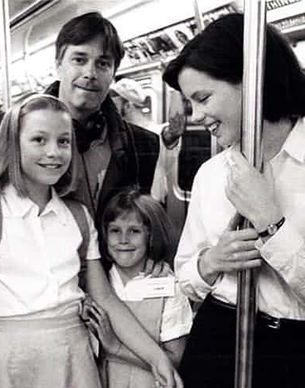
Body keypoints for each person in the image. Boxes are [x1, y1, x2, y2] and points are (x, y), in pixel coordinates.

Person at [0, 94, 183, 388]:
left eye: (63, 141)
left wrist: (156, 358)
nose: (54, 152)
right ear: (13, 145)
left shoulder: (77, 216)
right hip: (5, 359)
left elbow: (105, 298)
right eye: (39, 140)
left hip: (73, 353)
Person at [163, 13, 305, 388]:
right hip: (218, 337)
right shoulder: (211, 175)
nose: (197, 116)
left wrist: (271, 224)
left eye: (203, 98)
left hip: (294, 347)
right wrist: (210, 263)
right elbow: (184, 277)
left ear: (253, 79)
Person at [45, 12, 162, 221]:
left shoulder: (144, 145)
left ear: (113, 73)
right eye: (79, 60)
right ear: (58, 65)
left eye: (103, 64)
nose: (90, 73)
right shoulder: (14, 131)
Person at [85, 189, 192, 387]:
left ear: (151, 236)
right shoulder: (98, 284)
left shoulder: (168, 287)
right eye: (115, 230)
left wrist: (115, 348)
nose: (123, 239)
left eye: (134, 231)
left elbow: (175, 360)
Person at [110, 78, 186, 204]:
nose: (111, 108)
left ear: (128, 106)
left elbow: (176, 130)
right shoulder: (118, 135)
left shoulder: (157, 133)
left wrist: (174, 87)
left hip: (149, 207)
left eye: (114, 103)